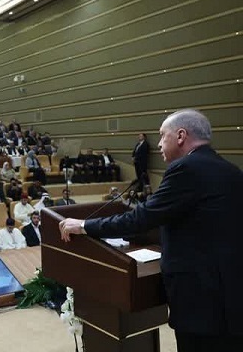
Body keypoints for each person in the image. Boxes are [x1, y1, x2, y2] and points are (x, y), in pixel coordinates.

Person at [59, 109, 243, 352]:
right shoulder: (231, 170)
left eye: (162, 135)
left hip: (202, 302)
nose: (158, 144)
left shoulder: (186, 168)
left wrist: (84, 225)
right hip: (231, 295)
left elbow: (142, 218)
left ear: (181, 136)